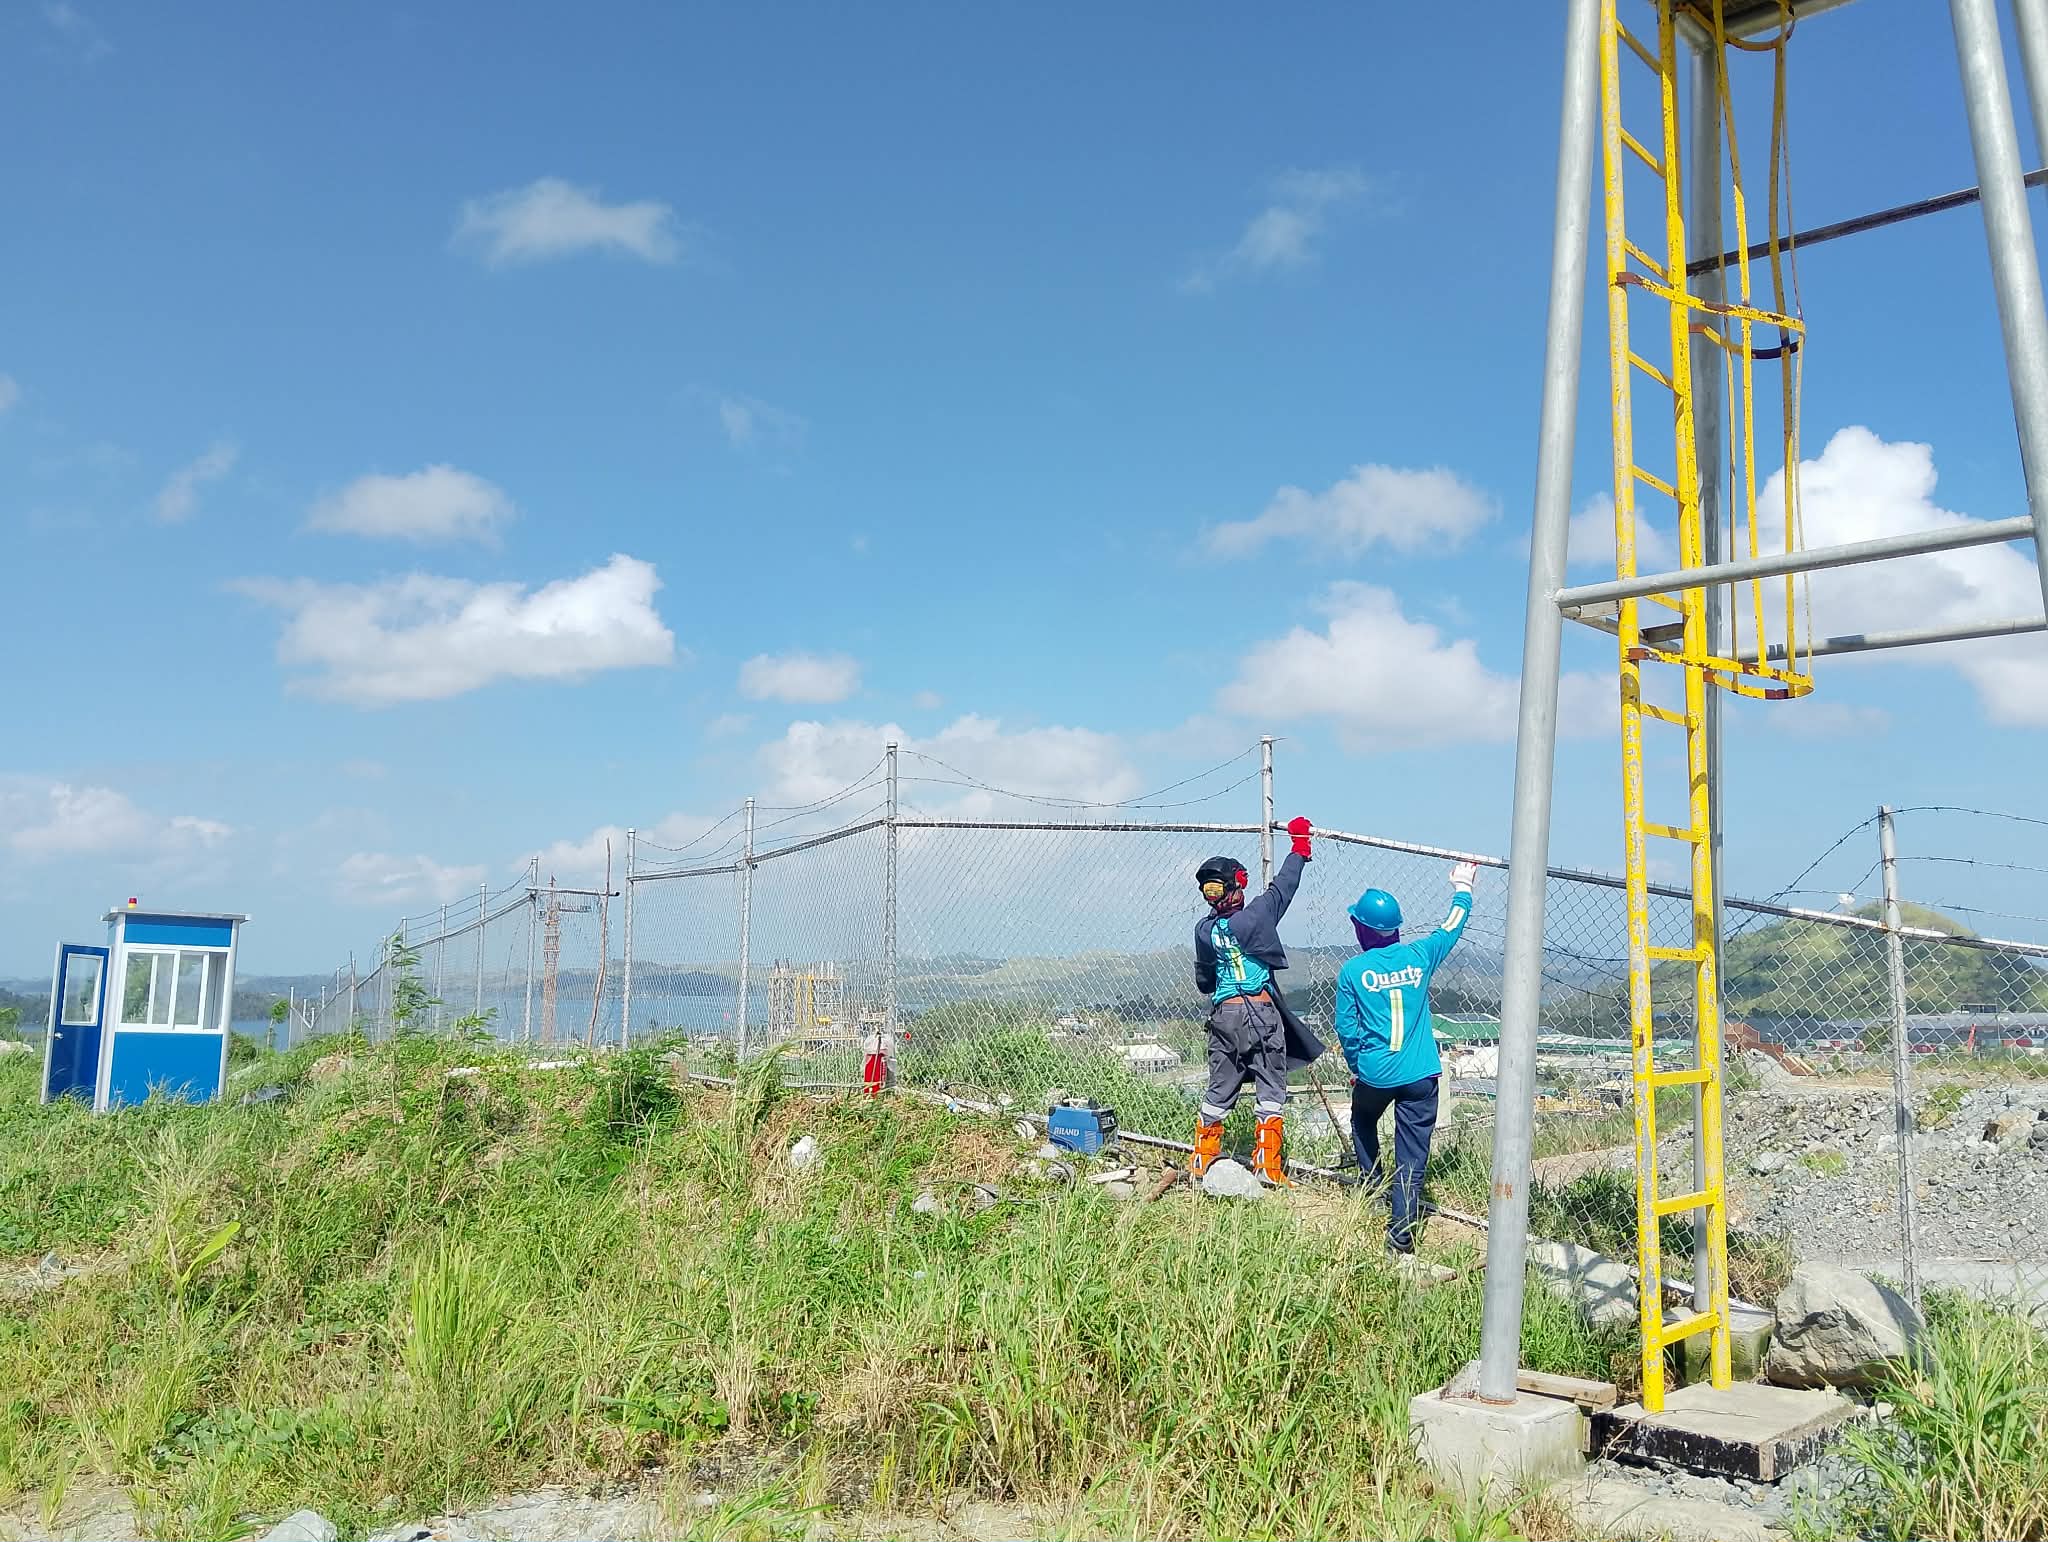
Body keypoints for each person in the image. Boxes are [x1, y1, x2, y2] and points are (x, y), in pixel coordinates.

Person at [1334, 860, 1478, 1254]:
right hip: (1420, 1075)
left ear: (1360, 928)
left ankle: (1370, 1184)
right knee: (1412, 1153)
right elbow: (1452, 926)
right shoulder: (1420, 955)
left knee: (1363, 1120)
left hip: (1375, 1074)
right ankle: (1401, 1235)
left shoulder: (1352, 972)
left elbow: (1347, 1030)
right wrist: (1462, 885)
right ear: (1397, 927)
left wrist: (1357, 1068)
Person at [1190, 817, 1327, 1186]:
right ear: (1240, 887)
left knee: (1220, 1086)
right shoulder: (1257, 915)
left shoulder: (1205, 929)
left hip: (1223, 1016)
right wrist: (1300, 844)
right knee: (1270, 1085)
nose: (1213, 895)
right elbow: (1284, 887)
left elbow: (1205, 981)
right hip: (1260, 1011)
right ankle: (1267, 1166)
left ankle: (1202, 1162)